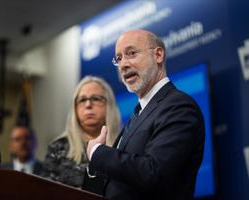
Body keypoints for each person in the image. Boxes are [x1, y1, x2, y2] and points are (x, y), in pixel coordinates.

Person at [87, 30, 205, 200]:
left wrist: (99, 153)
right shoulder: (138, 113)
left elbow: (153, 173)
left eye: (131, 53)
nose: (123, 65)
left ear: (158, 55)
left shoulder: (179, 106)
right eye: (119, 59)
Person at [42, 76, 121, 194]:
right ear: (75, 108)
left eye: (95, 98)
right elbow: (42, 193)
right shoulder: (58, 148)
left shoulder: (123, 143)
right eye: (82, 100)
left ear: (109, 104)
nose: (88, 104)